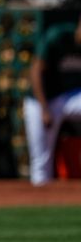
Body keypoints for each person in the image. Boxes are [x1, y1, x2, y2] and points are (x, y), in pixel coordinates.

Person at [24, 13, 81, 186]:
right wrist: (44, 109)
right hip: (40, 100)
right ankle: (41, 201)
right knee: (41, 163)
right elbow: (35, 72)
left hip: (68, 97)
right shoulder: (58, 36)